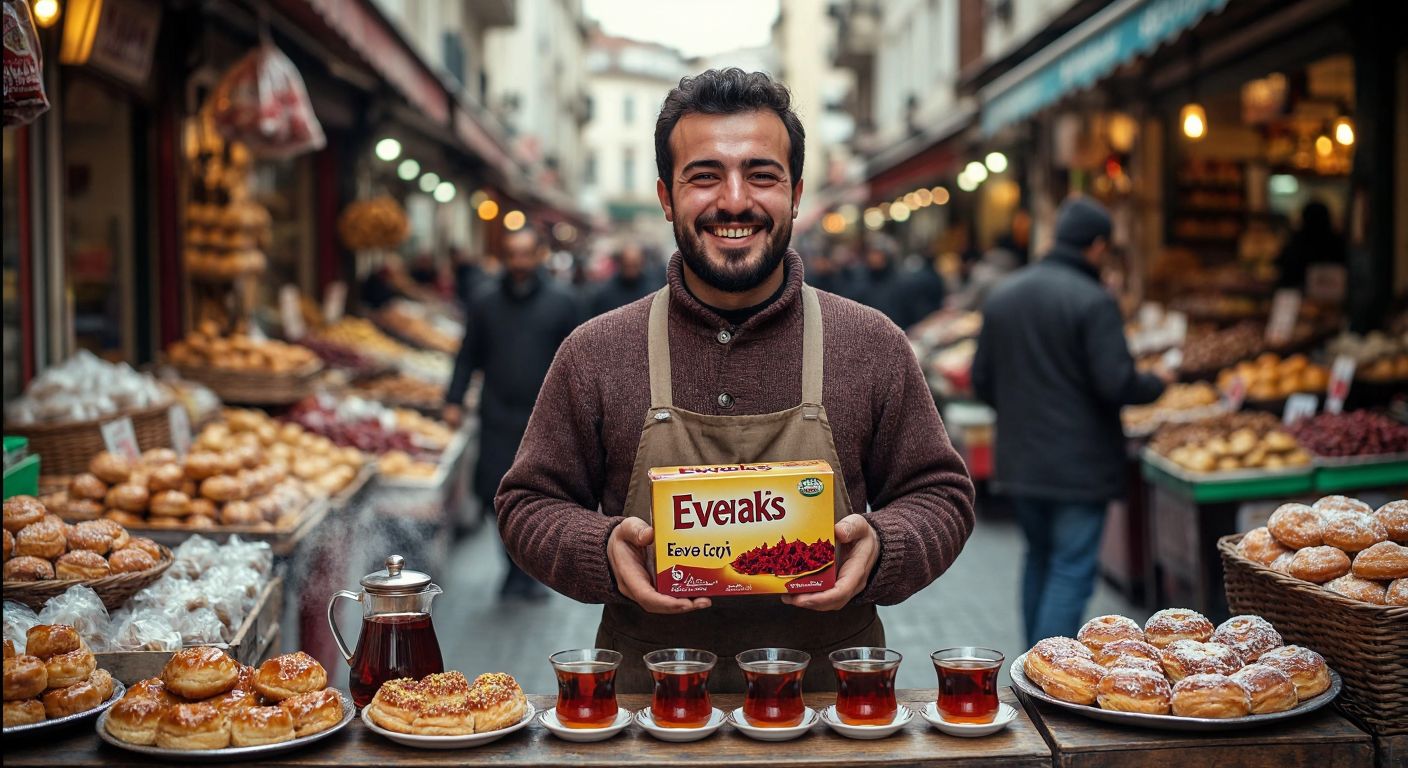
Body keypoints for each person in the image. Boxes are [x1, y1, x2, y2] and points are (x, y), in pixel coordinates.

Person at [495, 68, 975, 692]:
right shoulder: (596, 352)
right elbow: (525, 504)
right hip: (652, 716)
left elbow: (943, 495)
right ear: (666, 197)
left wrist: (883, 547)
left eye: (761, 174)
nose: (734, 200)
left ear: (796, 193)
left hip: (831, 718)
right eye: (704, 176)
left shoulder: (870, 343)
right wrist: (603, 549)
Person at [971, 196, 1172, 647]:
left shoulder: (1005, 294)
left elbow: (981, 380)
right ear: (1097, 246)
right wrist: (1157, 382)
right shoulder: (1093, 301)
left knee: (1040, 558)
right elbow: (1116, 382)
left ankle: (1033, 666)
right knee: (1070, 568)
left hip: (1021, 460)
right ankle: (1050, 676)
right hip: (1079, 465)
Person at [443, 227, 582, 601]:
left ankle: (527, 572)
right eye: (512, 254)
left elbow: (579, 362)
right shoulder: (484, 302)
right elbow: (467, 354)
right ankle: (512, 566)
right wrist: (453, 399)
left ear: (538, 255)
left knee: (541, 496)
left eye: (525, 254)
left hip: (545, 418)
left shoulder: (562, 302)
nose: (518, 262)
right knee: (493, 494)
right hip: (497, 415)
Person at [1276, 200, 1345, 290]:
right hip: (1332, 293)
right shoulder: (1336, 241)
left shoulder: (1296, 241)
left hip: (1299, 293)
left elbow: (1283, 266)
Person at [588, 242, 663, 316]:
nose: (631, 270)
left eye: (634, 265)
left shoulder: (653, 291)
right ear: (620, 263)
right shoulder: (604, 294)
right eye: (627, 265)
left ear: (641, 263)